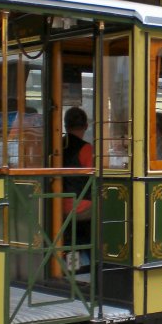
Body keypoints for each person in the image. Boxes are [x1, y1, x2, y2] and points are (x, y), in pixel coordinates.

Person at [62, 107, 94, 272]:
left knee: (71, 234)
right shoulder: (86, 149)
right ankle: (98, 260)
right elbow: (94, 178)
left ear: (65, 125)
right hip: (81, 206)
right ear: (86, 126)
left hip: (58, 204)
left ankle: (72, 266)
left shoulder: (56, 146)